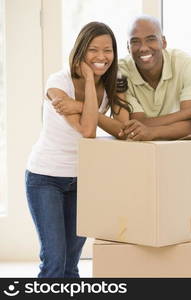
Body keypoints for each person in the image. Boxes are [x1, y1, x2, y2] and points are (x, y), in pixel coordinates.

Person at [25, 21, 131, 278]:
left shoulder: (115, 82)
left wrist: (81, 104)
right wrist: (86, 80)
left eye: (108, 50)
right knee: (54, 262)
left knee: (72, 264)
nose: (101, 57)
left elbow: (124, 130)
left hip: (83, 180)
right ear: (81, 51)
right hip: (45, 178)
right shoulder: (58, 82)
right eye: (93, 50)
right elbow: (87, 131)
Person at [118, 15, 191, 141]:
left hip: (178, 149)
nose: (143, 48)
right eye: (135, 41)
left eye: (151, 39)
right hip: (138, 150)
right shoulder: (120, 72)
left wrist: (152, 132)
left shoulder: (186, 64)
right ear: (128, 47)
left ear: (163, 42)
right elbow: (136, 123)